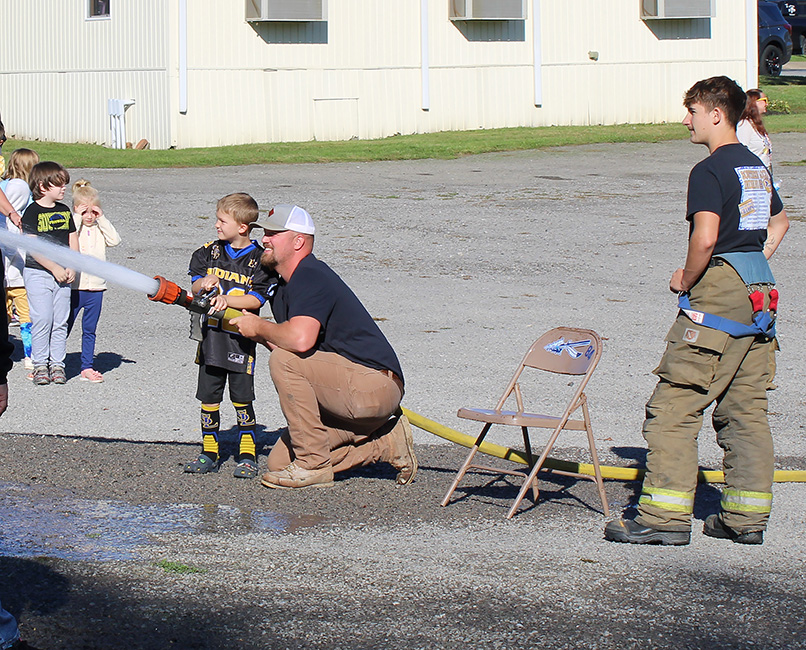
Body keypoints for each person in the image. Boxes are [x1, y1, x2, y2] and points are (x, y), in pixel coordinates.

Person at [604, 76, 789, 546]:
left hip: (721, 292)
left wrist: (686, 278)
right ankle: (745, 520)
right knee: (745, 409)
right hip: (759, 289)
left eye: (691, 111)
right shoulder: (755, 165)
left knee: (674, 406)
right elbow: (780, 221)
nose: (685, 120)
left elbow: (705, 237)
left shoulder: (708, 170)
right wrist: (751, 259)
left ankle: (662, 518)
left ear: (715, 114)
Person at [230, 204, 417, 490]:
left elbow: (299, 342)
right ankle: (386, 444)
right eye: (265, 233)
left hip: (372, 387)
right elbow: (297, 351)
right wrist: (256, 331)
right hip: (343, 396)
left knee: (283, 360)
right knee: (279, 463)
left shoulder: (310, 274)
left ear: (298, 242)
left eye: (273, 234)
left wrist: (259, 326)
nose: (264, 240)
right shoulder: (283, 287)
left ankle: (312, 466)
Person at [184, 193, 276, 479]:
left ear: (242, 227)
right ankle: (209, 451)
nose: (216, 225)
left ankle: (247, 454)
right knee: (208, 398)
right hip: (210, 338)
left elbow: (256, 299)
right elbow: (196, 284)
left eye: (222, 220)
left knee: (241, 398)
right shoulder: (208, 252)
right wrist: (204, 283)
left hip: (240, 340)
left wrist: (229, 301)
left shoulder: (260, 260)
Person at [736, 88, 780, 390]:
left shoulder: (758, 128)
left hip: (764, 188)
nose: (766, 103)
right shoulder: (743, 129)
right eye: (762, 99)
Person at [20, 161, 78, 386]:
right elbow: (33, 247)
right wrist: (54, 267)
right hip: (38, 273)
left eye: (65, 184)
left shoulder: (63, 210)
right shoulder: (32, 212)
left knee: (60, 320)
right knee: (42, 318)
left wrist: (72, 265)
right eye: (59, 184)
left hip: (64, 275)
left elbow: (73, 239)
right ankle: (40, 364)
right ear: (43, 186)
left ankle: (57, 364)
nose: (64, 188)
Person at [67, 179, 121, 383]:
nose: (89, 216)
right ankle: (49, 361)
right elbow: (66, 238)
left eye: (92, 212)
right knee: (64, 326)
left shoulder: (99, 228)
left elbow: (115, 240)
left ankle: (87, 366)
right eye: (84, 212)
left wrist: (103, 218)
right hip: (75, 287)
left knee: (89, 330)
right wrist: (77, 219)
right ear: (76, 210)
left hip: (96, 289)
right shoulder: (75, 229)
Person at [1, 149, 40, 370]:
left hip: (8, 262)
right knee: (25, 312)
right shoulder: (20, 187)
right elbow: (11, 225)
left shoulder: (6, 185)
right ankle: (29, 355)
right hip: (13, 265)